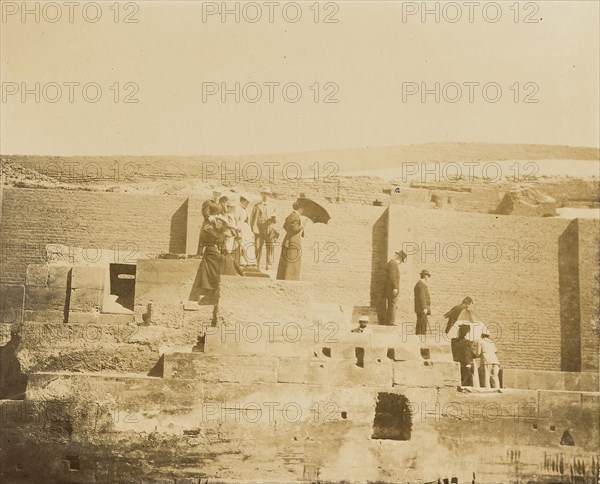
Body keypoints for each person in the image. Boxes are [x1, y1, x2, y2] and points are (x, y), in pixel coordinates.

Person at [276, 202, 305, 281]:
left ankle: (284, 277)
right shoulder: (295, 216)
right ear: (300, 208)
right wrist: (302, 226)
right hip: (293, 241)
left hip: (288, 239)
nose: (303, 211)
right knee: (292, 261)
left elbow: (285, 226)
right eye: (303, 209)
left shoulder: (291, 215)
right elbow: (294, 229)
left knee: (287, 260)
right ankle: (291, 278)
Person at [250, 187, 277, 270]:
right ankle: (256, 264)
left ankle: (268, 264)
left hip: (269, 229)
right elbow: (252, 218)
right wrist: (252, 229)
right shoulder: (257, 205)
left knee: (270, 247)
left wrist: (273, 219)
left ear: (269, 195)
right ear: (261, 194)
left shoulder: (273, 206)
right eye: (264, 193)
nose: (265, 196)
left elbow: (276, 219)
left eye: (267, 194)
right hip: (258, 229)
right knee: (257, 247)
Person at [382, 250, 407, 325]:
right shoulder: (393, 264)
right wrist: (395, 287)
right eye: (401, 261)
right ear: (399, 258)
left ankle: (389, 321)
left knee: (390, 305)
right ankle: (392, 322)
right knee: (393, 305)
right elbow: (393, 277)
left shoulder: (391, 263)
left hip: (389, 288)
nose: (401, 263)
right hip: (392, 289)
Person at [198, 187, 224, 255]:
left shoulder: (221, 204)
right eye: (215, 195)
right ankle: (206, 253)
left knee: (218, 238)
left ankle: (217, 253)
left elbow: (222, 214)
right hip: (209, 223)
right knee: (209, 237)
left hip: (218, 224)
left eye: (218, 195)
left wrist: (220, 219)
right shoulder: (208, 202)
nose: (216, 197)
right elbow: (205, 213)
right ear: (213, 194)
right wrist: (211, 217)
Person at [236, 195, 256, 267]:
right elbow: (236, 220)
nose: (247, 204)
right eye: (247, 202)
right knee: (243, 245)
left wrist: (250, 231)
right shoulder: (238, 209)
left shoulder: (246, 209)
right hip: (241, 228)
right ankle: (243, 262)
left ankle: (250, 262)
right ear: (243, 201)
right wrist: (238, 229)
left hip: (246, 228)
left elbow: (248, 221)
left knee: (249, 244)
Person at [414, 269, 431, 335]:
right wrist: (424, 308)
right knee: (422, 325)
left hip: (421, 308)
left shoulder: (420, 284)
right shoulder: (421, 285)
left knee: (421, 324)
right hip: (422, 309)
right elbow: (421, 297)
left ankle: (420, 337)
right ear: (425, 276)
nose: (428, 279)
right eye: (428, 277)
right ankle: (421, 338)